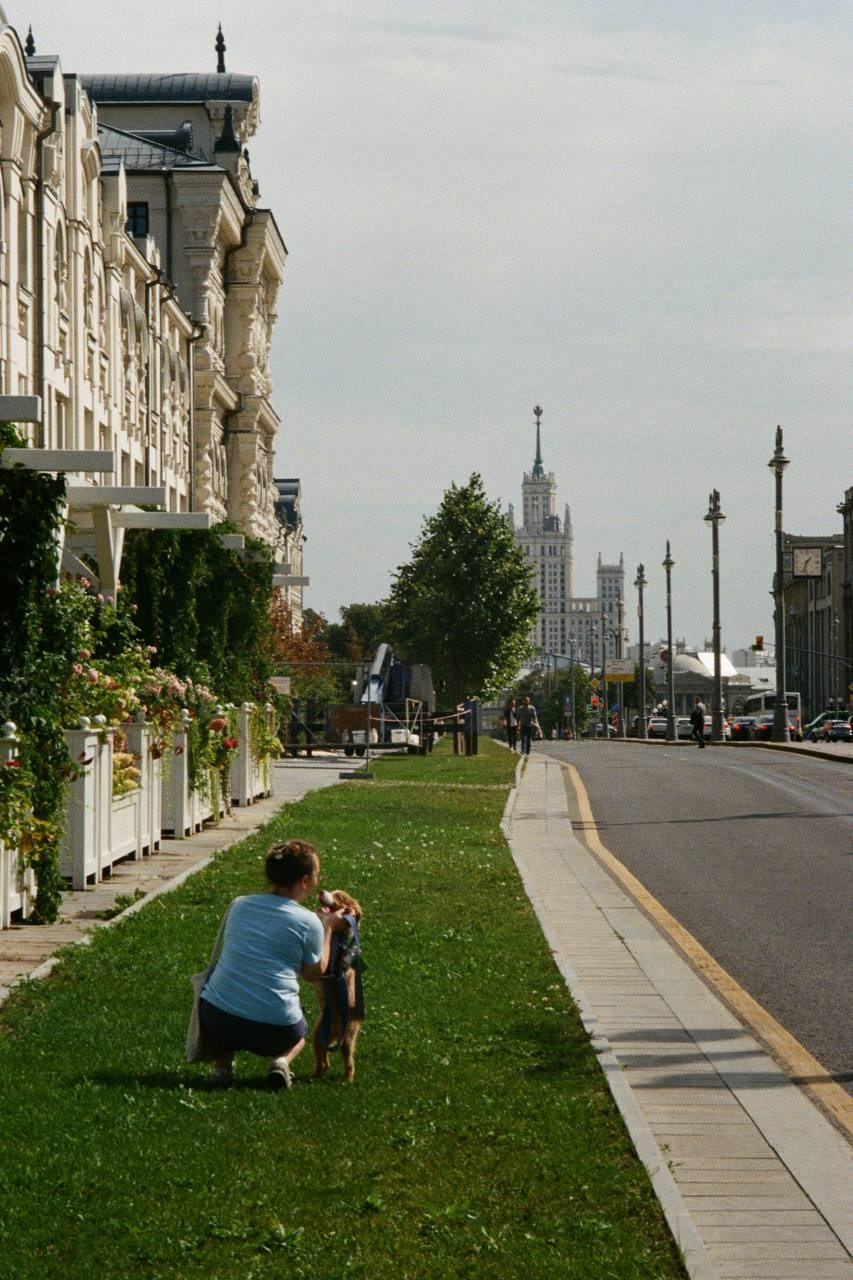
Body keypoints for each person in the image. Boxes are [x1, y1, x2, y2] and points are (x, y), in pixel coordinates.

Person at [199, 838, 346, 1090]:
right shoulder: (308, 921)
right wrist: (329, 928)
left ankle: (222, 1068)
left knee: (224, 1000)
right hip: (276, 1028)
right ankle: (281, 1061)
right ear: (304, 880)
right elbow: (313, 973)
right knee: (299, 1035)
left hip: (218, 1019)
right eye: (317, 875)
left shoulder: (239, 904)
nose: (318, 880)